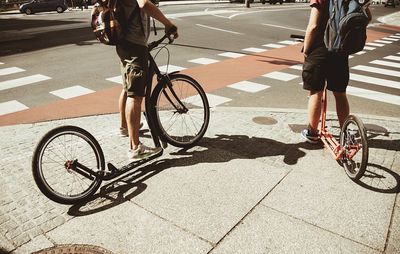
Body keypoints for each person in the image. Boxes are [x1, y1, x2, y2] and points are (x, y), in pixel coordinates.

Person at [301, 0, 371, 143]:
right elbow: (366, 18)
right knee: (340, 94)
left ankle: (312, 132)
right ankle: (345, 132)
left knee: (316, 92)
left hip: (319, 50)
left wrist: (306, 49)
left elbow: (313, 26)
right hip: (340, 50)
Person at [116, 0, 178, 160]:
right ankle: (135, 148)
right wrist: (167, 23)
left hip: (123, 42)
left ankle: (124, 126)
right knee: (135, 95)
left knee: (128, 87)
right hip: (134, 44)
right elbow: (144, 4)